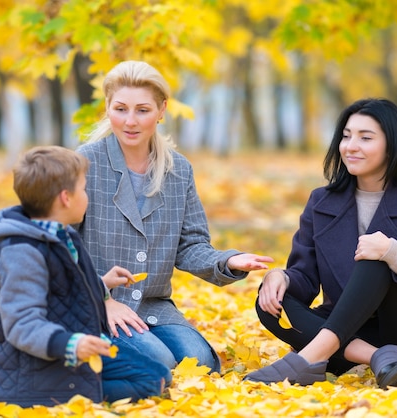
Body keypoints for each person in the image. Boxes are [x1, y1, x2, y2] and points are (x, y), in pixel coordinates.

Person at [244, 98, 397, 389]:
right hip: (355, 329)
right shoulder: (321, 202)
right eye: (346, 136)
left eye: (365, 138)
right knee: (270, 301)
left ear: (391, 145)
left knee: (378, 254)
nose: (350, 146)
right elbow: (305, 279)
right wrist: (279, 277)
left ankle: (311, 358)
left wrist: (394, 253)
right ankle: (377, 357)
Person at [76, 60, 274, 373]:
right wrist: (101, 298)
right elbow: (62, 245)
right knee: (160, 362)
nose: (130, 121)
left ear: (162, 110)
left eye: (142, 110)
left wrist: (227, 262)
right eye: (120, 109)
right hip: (96, 301)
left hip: (153, 305)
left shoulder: (178, 170)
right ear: (107, 107)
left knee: (202, 364)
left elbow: (190, 244)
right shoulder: (85, 163)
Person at [0, 146, 171, 407]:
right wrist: (72, 345)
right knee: (151, 382)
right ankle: (62, 397)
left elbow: (58, 290)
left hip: (62, 352)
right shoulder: (21, 251)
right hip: (30, 367)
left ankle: (78, 388)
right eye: (84, 189)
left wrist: (101, 283)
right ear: (66, 198)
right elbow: (21, 324)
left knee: (158, 375)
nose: (87, 196)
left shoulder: (61, 235)